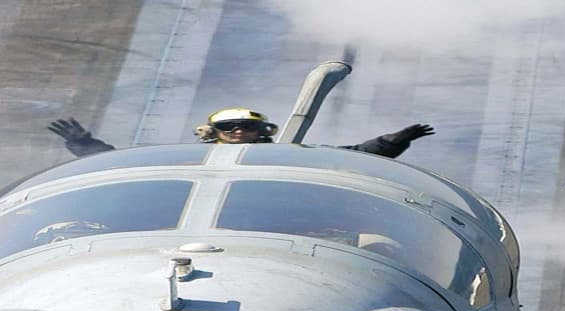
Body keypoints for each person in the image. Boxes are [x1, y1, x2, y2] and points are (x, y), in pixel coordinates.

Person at [48, 107, 435, 159]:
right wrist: (83, 144)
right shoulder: (191, 159)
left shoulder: (288, 155)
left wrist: (393, 141)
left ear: (261, 131)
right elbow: (120, 164)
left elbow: (352, 156)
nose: (237, 131)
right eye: (227, 127)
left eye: (246, 127)